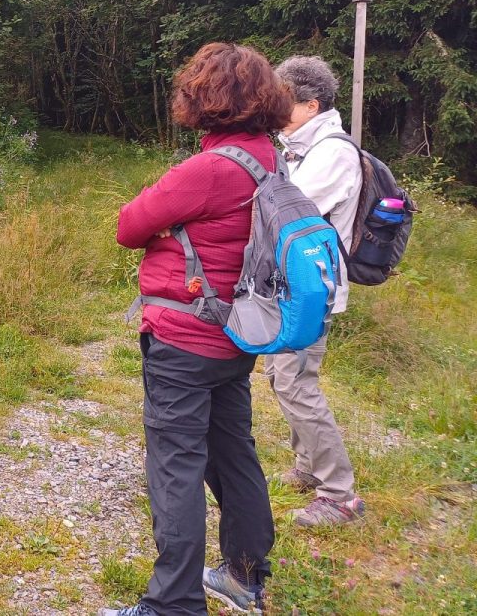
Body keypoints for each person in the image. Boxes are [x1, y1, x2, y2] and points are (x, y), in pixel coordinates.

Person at [103, 42, 287, 616]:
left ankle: (173, 604)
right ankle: (244, 575)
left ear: (202, 99)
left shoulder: (209, 168)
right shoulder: (269, 157)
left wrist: (168, 230)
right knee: (232, 452)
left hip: (184, 338)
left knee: (176, 465)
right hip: (236, 333)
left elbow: (129, 225)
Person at [269, 55, 365, 526]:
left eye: (282, 98)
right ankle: (309, 467)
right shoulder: (298, 145)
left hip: (312, 291)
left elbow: (288, 212)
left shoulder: (332, 152)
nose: (273, 106)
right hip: (292, 286)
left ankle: (340, 495)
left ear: (311, 104)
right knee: (280, 376)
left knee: (296, 382)